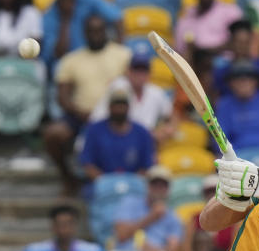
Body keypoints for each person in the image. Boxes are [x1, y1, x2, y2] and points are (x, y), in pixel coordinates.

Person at [43, 15, 132, 192]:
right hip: (80, 116)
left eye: (99, 30)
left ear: (106, 31)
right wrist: (80, 112)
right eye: (91, 31)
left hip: (114, 116)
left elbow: (130, 89)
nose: (95, 35)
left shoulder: (123, 55)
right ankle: (68, 178)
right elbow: (62, 97)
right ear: (84, 33)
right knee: (53, 134)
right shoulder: (71, 59)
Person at [111, 165, 184, 251]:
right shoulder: (130, 202)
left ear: (168, 189)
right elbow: (121, 235)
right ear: (147, 186)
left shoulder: (173, 216)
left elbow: (172, 249)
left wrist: (155, 250)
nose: (158, 189)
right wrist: (152, 216)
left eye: (163, 186)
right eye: (155, 184)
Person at [79, 86, 155, 181]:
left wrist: (129, 183)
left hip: (134, 185)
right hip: (102, 184)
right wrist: (106, 182)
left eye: (123, 105)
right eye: (116, 105)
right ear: (109, 107)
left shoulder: (142, 132)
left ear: (128, 107)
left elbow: (147, 165)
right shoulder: (94, 130)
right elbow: (87, 163)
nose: (119, 109)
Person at [90, 55, 173, 131]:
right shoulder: (118, 86)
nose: (140, 74)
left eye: (143, 70)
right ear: (128, 71)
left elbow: (172, 115)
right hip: (119, 136)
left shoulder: (156, 92)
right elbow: (96, 118)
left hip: (146, 139)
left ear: (149, 74)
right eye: (136, 70)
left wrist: (163, 131)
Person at [40, 0, 122, 66]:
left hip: (94, 56)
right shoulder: (49, 17)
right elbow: (59, 53)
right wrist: (65, 19)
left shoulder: (88, 1)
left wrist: (117, 50)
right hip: (68, 64)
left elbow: (117, 19)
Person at [0, 0, 42, 79]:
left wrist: (18, 57)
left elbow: (36, 40)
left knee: (38, 67)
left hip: (22, 58)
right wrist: (4, 60)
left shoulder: (31, 12)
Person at [212, 19, 259, 95]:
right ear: (231, 43)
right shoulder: (222, 71)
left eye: (246, 42)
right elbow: (216, 98)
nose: (242, 47)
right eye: (238, 42)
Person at [174, 0, 244, 56]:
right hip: (194, 67)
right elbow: (179, 51)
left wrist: (202, 51)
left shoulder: (231, 11)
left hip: (225, 67)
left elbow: (238, 44)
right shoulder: (186, 16)